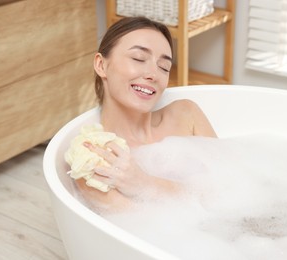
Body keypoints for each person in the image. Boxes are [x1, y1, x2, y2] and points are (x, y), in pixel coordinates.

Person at [75, 16, 217, 213]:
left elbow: (230, 188)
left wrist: (146, 184)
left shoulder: (186, 114)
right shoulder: (95, 155)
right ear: (101, 65)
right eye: (138, 59)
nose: (153, 74)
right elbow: (144, 231)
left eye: (164, 67)